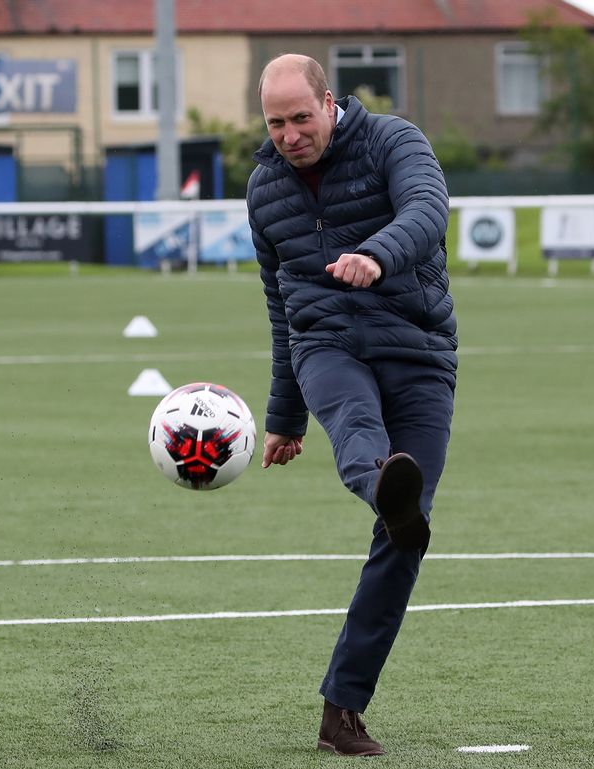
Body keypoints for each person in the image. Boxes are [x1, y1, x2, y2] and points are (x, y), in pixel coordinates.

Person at [246, 53, 457, 757]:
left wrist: (376, 254)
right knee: (363, 439)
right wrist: (283, 415)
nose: (288, 135)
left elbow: (427, 211)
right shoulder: (264, 188)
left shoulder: (395, 140)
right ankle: (379, 484)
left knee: (407, 533)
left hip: (417, 349)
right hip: (325, 345)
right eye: (274, 122)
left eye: (299, 118)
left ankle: (342, 707)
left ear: (329, 102)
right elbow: (280, 308)